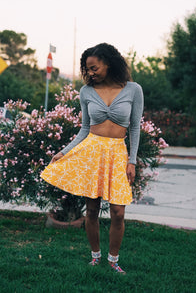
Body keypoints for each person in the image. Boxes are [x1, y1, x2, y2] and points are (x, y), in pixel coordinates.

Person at [41, 43, 143, 274]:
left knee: (118, 212)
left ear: (109, 63)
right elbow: (84, 129)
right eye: (87, 69)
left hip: (118, 153)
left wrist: (132, 161)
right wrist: (63, 152)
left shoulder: (133, 89)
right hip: (92, 154)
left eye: (94, 68)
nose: (90, 73)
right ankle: (95, 256)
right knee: (92, 210)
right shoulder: (86, 92)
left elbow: (135, 127)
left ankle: (113, 260)